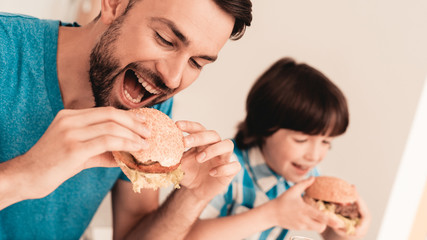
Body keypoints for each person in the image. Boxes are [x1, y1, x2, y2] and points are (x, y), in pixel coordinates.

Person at [0, 0, 252, 239]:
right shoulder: (5, 47)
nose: (173, 79)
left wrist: (194, 195)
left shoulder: (152, 103)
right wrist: (23, 177)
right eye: (165, 39)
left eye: (196, 63)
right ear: (114, 4)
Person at [185, 57, 371, 240]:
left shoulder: (306, 175)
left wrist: (346, 232)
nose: (314, 156)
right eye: (301, 140)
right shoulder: (224, 166)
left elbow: (328, 232)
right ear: (265, 126)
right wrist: (272, 213)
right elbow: (184, 236)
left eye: (326, 142)